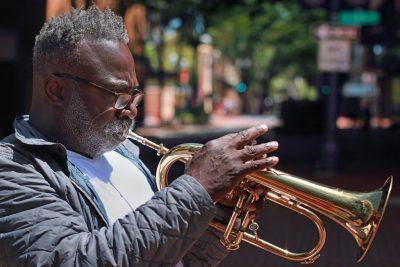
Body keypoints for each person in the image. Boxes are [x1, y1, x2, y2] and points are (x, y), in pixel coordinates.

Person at [0, 6, 279, 267]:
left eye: (135, 94)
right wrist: (198, 188)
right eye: (119, 95)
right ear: (57, 91)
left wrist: (219, 215)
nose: (132, 110)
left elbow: (168, 255)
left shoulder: (124, 152)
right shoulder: (12, 170)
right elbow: (76, 259)